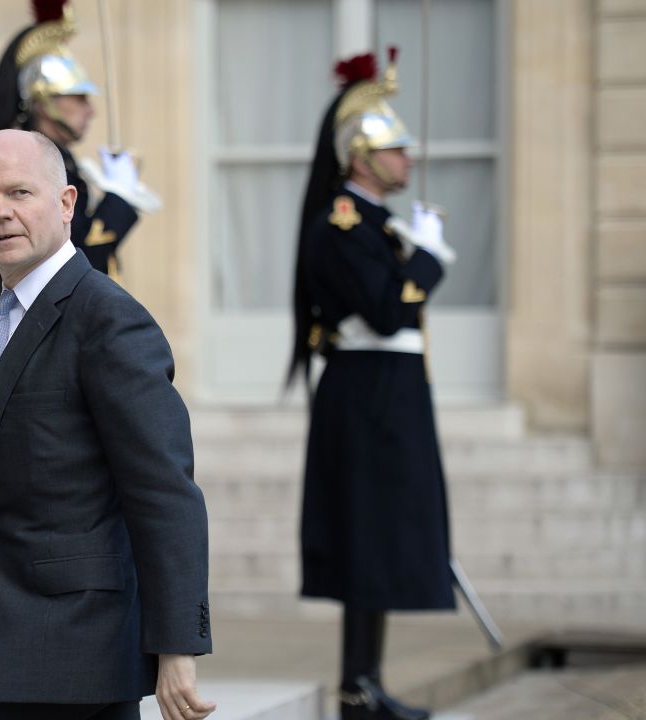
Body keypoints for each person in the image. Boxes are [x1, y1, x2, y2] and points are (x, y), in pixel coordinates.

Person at [0, 129, 213, 720]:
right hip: (17, 649)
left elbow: (164, 491)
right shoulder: (11, 315)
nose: (0, 212)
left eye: (18, 192)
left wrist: (177, 648)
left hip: (72, 649)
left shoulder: (109, 320)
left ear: (66, 204)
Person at [287, 49, 459, 720]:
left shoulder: (376, 224)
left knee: (383, 536)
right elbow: (388, 310)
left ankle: (367, 681)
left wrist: (412, 251)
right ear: (360, 156)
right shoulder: (342, 224)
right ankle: (357, 686)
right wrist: (428, 259)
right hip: (366, 398)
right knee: (366, 539)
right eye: (393, 149)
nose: (406, 160)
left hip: (390, 393)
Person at [0, 0, 160, 319]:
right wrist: (117, 203)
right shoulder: (35, 165)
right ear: (45, 101)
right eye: (79, 97)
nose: (91, 110)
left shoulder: (63, 162)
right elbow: (75, 260)